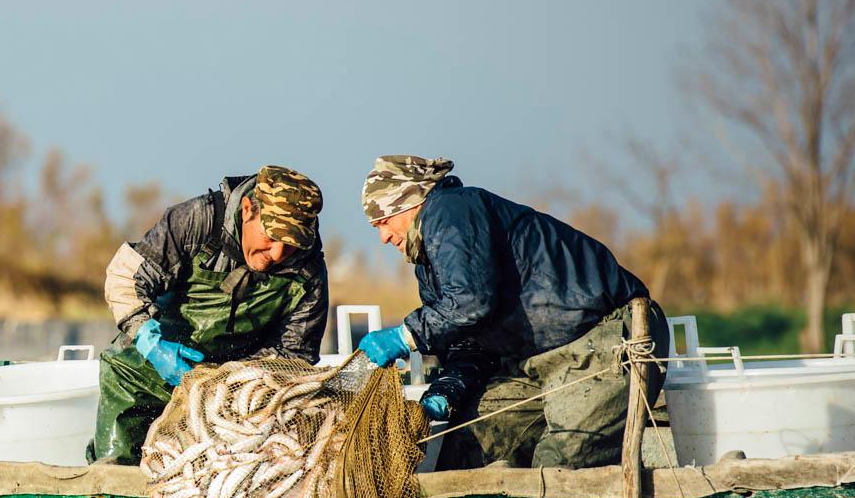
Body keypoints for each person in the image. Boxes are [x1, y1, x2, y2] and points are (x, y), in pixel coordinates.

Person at [356, 155, 666, 470]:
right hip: (538, 362)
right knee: (465, 450)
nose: (383, 237)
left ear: (410, 202)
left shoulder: (450, 210)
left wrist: (406, 334)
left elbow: (471, 301)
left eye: (384, 221)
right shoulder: (428, 266)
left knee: (559, 468)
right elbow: (468, 338)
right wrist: (452, 382)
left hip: (605, 339)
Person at [91, 165, 328, 464]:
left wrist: (227, 383)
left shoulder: (308, 273)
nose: (278, 254)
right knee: (116, 473)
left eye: (292, 244)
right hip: (144, 376)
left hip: (230, 398)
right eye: (271, 236)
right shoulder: (196, 221)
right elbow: (125, 277)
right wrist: (151, 343)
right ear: (247, 210)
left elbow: (295, 357)